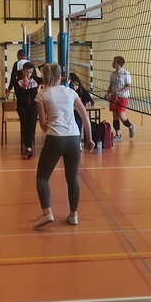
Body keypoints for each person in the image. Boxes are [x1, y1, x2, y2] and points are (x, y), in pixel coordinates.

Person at [33, 63, 95, 229]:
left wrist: (52, 134)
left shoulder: (42, 94)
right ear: (60, 76)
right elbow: (85, 116)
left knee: (42, 177)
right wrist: (89, 139)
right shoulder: (71, 92)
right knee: (72, 177)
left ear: (45, 76)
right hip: (74, 138)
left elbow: (43, 122)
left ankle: (47, 213)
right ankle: (73, 215)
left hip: (55, 137)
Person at [13, 61, 40, 158]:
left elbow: (47, 80)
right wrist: (24, 86)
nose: (28, 74)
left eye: (30, 72)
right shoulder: (17, 82)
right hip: (22, 106)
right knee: (25, 124)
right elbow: (19, 97)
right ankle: (28, 147)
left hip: (33, 106)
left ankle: (28, 148)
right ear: (23, 71)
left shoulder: (35, 79)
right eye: (27, 72)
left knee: (32, 124)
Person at [106, 56, 135, 141]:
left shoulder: (126, 73)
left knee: (121, 115)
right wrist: (108, 92)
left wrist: (120, 92)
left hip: (123, 97)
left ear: (119, 63)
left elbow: (128, 86)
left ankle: (131, 126)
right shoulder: (113, 74)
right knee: (115, 116)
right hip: (114, 97)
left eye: (114, 62)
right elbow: (111, 85)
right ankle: (118, 135)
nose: (112, 63)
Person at [68, 72, 94, 137]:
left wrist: (84, 103)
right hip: (70, 114)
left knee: (80, 117)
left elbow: (91, 101)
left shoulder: (81, 90)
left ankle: (78, 137)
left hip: (78, 114)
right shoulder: (67, 91)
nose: (74, 87)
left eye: (76, 85)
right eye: (72, 85)